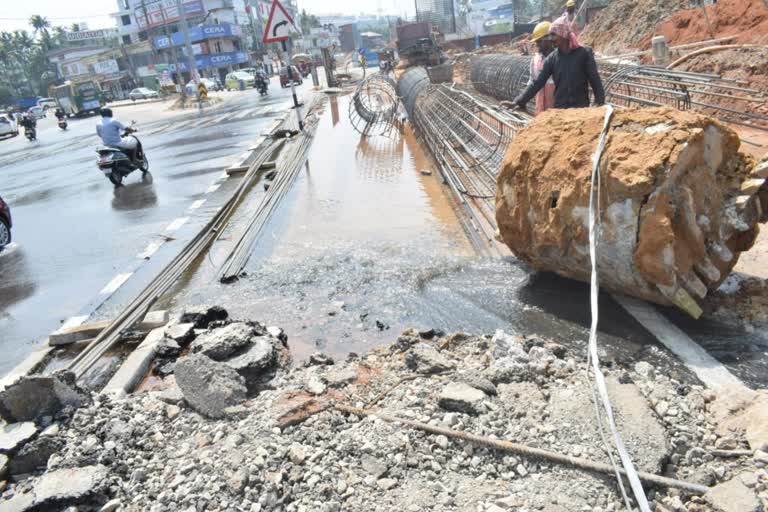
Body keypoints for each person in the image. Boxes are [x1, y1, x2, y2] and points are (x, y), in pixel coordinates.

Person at [512, 16, 605, 110]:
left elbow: (594, 79)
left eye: (553, 34)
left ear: (563, 33)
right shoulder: (552, 59)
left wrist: (599, 102)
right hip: (560, 110)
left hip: (580, 108)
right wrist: (519, 101)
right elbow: (537, 82)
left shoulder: (584, 53)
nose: (551, 38)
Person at [528, 21, 556, 115]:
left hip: (558, 113)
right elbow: (531, 83)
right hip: (540, 113)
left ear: (549, 39)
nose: (537, 44)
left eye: (539, 41)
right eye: (536, 41)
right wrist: (520, 101)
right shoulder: (535, 60)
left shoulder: (561, 59)